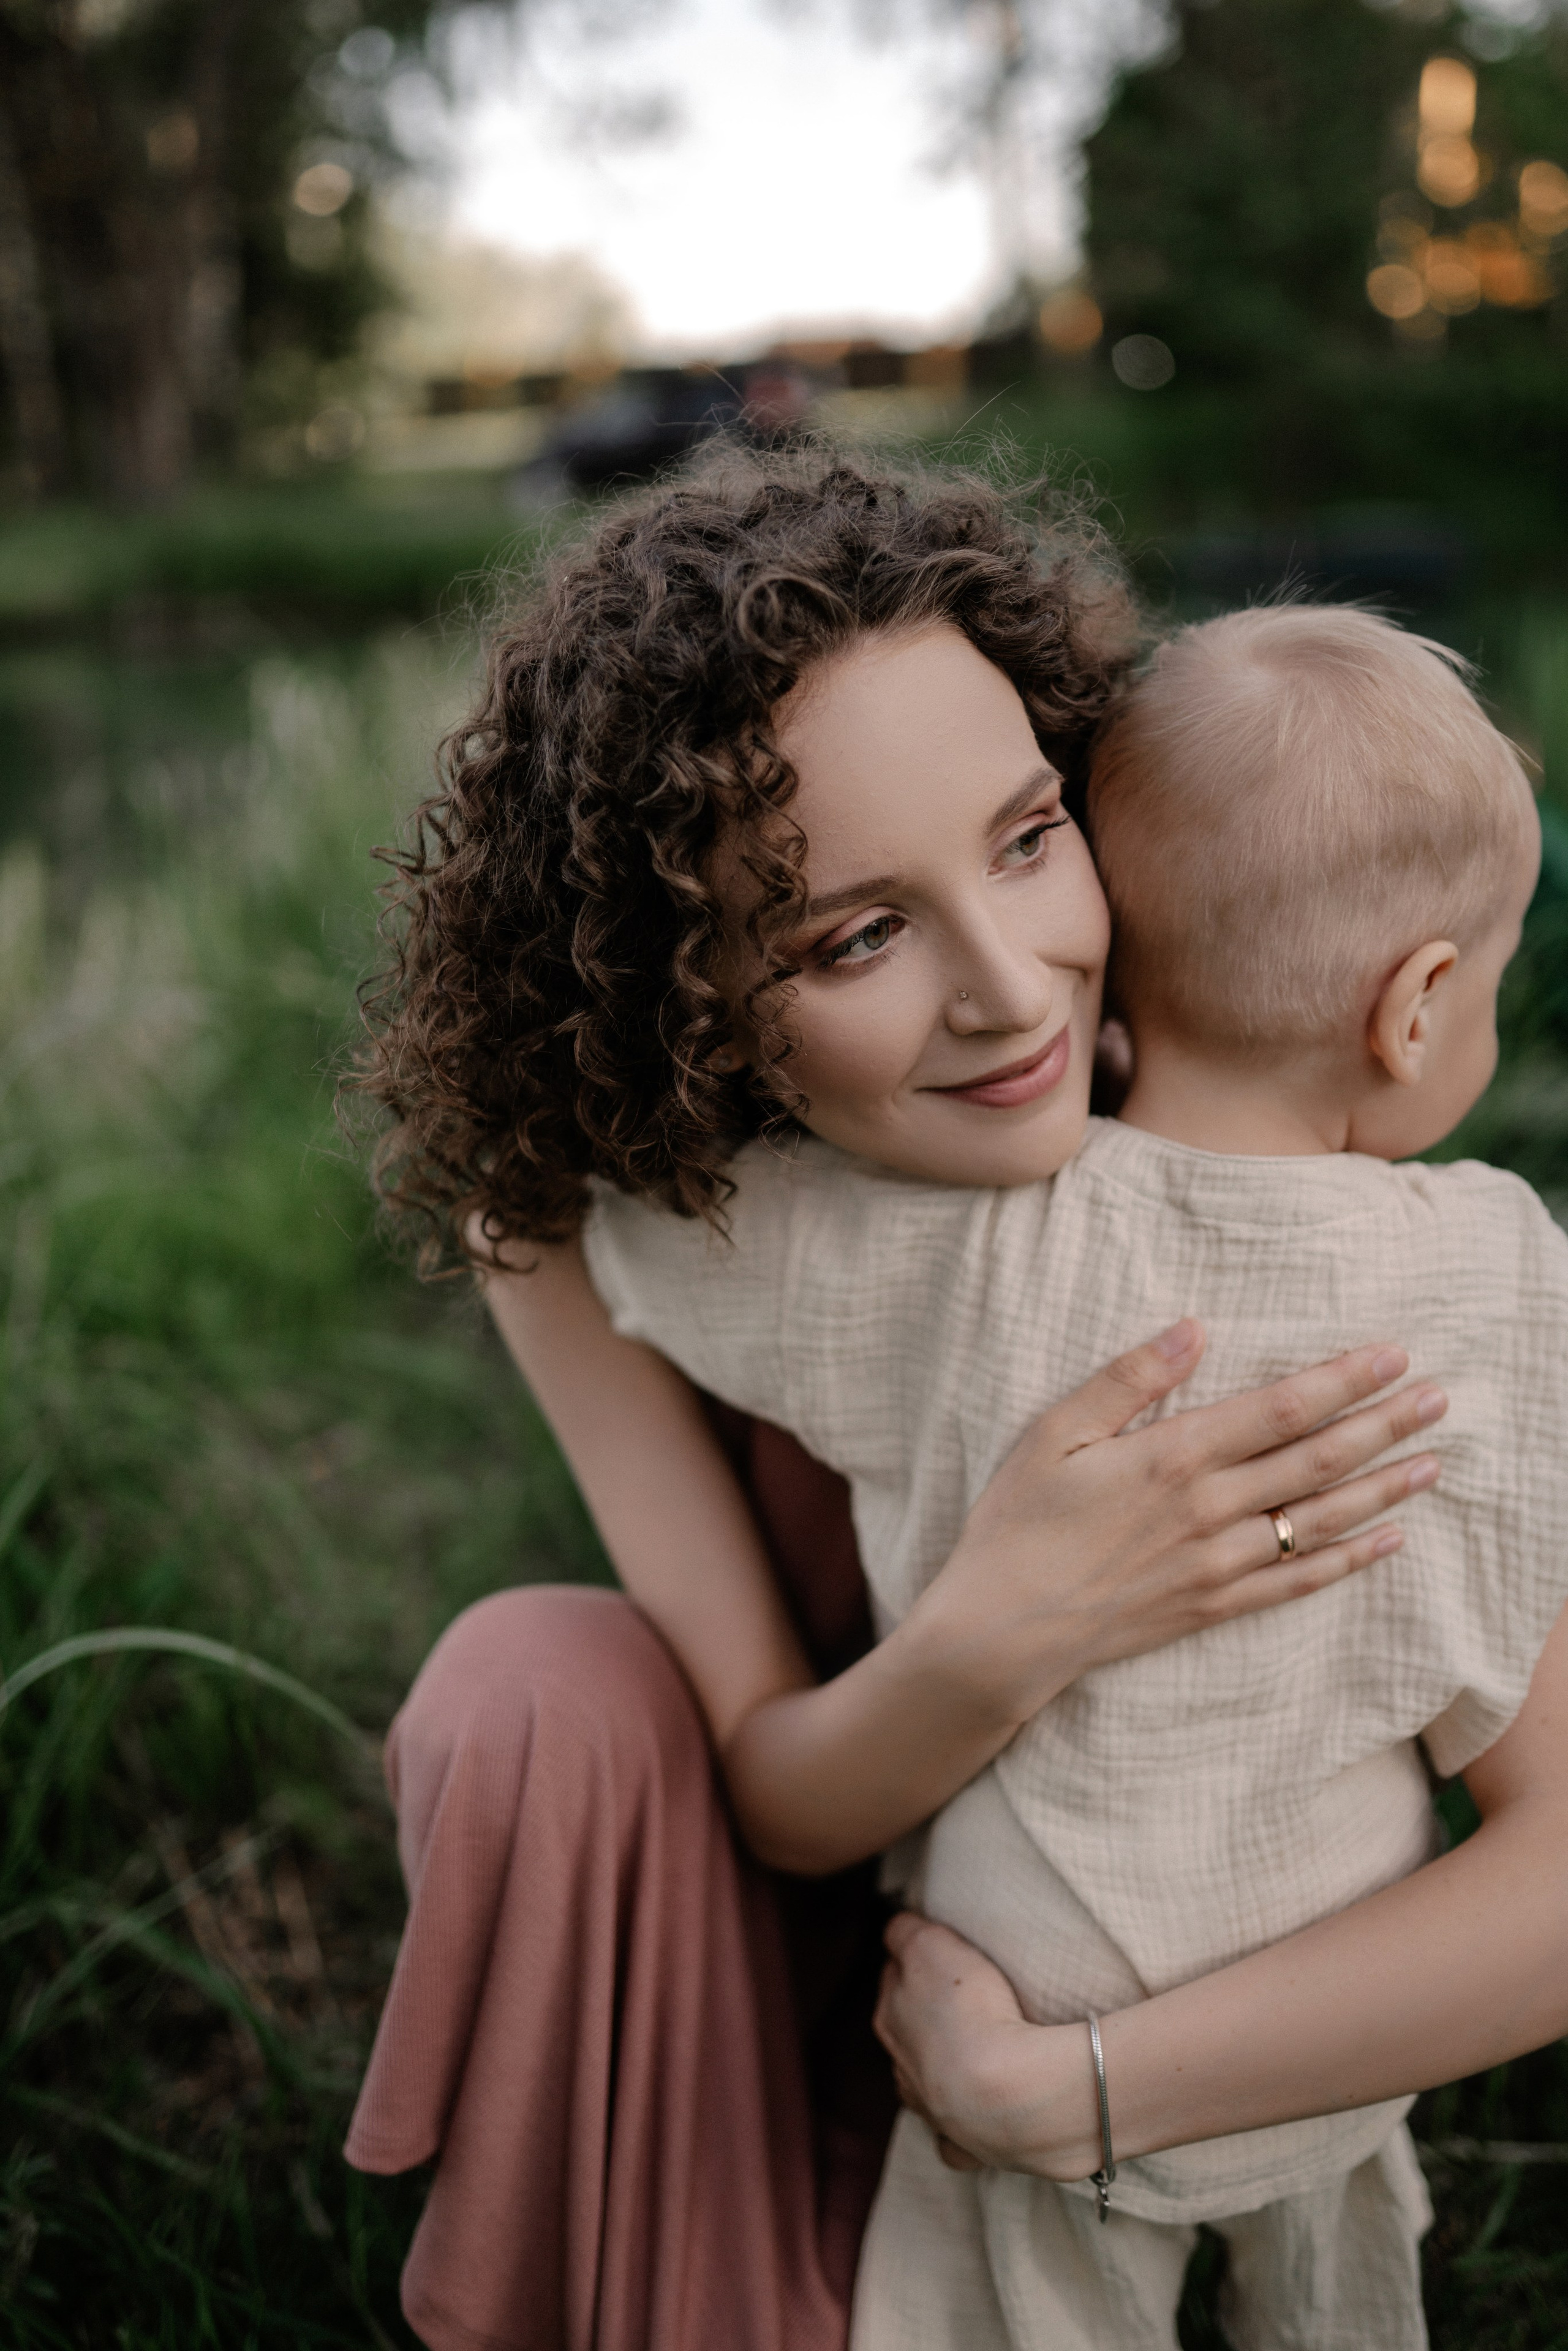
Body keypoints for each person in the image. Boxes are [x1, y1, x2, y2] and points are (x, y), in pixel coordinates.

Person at [345, 453, 1504, 2349]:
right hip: (789, 1948)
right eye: (853, 936)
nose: (1012, 994)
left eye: (1031, 835)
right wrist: (1012, 1624)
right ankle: (683, 2270)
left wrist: (1084, 2089)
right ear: (681, 988)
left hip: (1144, 2011)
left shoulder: (1237, 1151)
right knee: (526, 1679)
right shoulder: (585, 1232)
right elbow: (779, 1792)